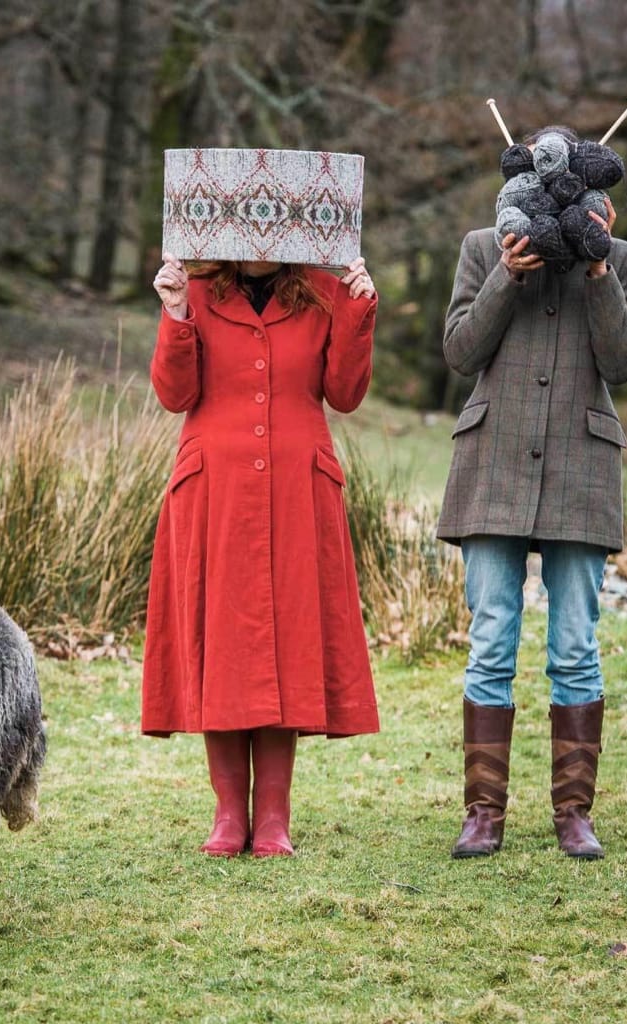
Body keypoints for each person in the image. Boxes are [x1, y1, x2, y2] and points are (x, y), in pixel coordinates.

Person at [437, 125, 627, 861]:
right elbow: (460, 351)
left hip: (582, 471)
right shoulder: (480, 246)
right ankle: (483, 815)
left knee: (576, 650)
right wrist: (507, 273)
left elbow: (624, 364)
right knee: (490, 642)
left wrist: (596, 274)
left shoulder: (619, 259)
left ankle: (573, 815)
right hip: (491, 464)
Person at [142, 254, 380, 857]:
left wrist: (358, 308)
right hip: (213, 492)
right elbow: (176, 395)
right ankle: (228, 815)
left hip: (298, 489)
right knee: (222, 644)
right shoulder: (192, 289)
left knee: (287, 645)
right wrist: (174, 313)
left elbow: (345, 395)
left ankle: (273, 815)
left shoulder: (325, 292)